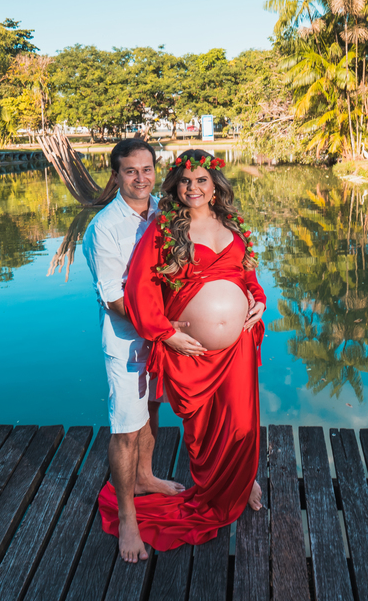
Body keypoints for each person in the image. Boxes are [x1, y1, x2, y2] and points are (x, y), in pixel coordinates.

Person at [97, 149, 266, 555]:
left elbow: (246, 274)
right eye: (186, 181)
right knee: (206, 428)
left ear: (215, 186)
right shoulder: (164, 230)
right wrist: (165, 334)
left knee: (241, 423)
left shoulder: (232, 224)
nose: (193, 188)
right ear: (175, 186)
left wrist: (258, 299)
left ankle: (240, 480)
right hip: (192, 349)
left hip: (238, 345)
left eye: (202, 180)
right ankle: (207, 489)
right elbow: (138, 291)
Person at [81, 139, 184, 564]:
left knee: (153, 407)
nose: (140, 178)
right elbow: (112, 298)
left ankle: (145, 476)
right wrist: (162, 329)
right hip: (128, 341)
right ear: (116, 175)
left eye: (147, 169)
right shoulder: (104, 228)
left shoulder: (163, 211)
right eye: (130, 171)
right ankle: (127, 517)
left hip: (163, 334)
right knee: (125, 427)